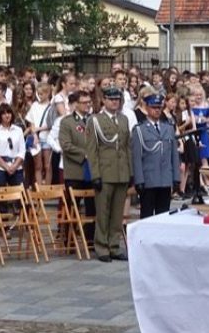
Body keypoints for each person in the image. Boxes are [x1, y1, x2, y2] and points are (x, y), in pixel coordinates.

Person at [85, 86, 131, 262]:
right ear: (103, 100)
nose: (115, 102)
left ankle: (114, 245)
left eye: (117, 99)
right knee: (103, 213)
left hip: (121, 172)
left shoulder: (124, 119)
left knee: (117, 213)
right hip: (105, 172)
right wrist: (95, 175)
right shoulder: (95, 120)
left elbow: (127, 147)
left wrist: (130, 172)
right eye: (111, 99)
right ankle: (102, 246)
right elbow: (92, 150)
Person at [131, 92, 179, 219]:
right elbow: (137, 157)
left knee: (163, 216)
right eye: (154, 107)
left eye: (159, 107)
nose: (157, 110)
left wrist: (176, 177)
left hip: (165, 179)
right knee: (147, 216)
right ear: (146, 107)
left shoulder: (168, 128)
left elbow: (174, 155)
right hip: (149, 180)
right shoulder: (139, 130)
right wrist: (139, 180)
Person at [59, 90, 95, 239]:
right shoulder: (67, 122)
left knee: (92, 207)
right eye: (84, 102)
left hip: (93, 171)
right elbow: (66, 145)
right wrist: (84, 154)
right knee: (71, 206)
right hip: (75, 171)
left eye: (89, 102)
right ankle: (68, 239)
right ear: (76, 104)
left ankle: (90, 239)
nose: (87, 105)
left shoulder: (93, 120)